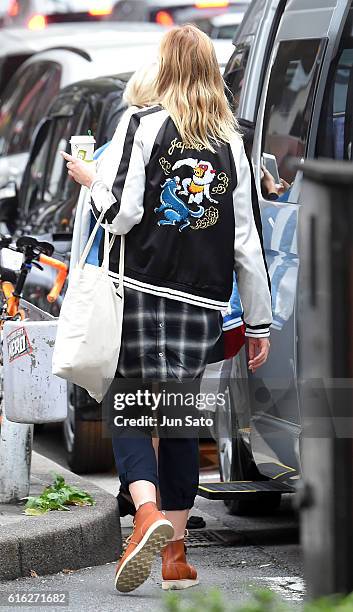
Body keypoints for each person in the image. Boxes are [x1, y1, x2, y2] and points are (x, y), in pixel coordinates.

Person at [61, 25, 272, 594]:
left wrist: (88, 182)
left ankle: (147, 512)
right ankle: (176, 558)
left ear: (166, 67)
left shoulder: (143, 123)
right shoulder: (231, 142)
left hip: (144, 290)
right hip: (203, 303)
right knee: (177, 418)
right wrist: (258, 322)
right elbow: (246, 241)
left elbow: (124, 214)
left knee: (131, 406)